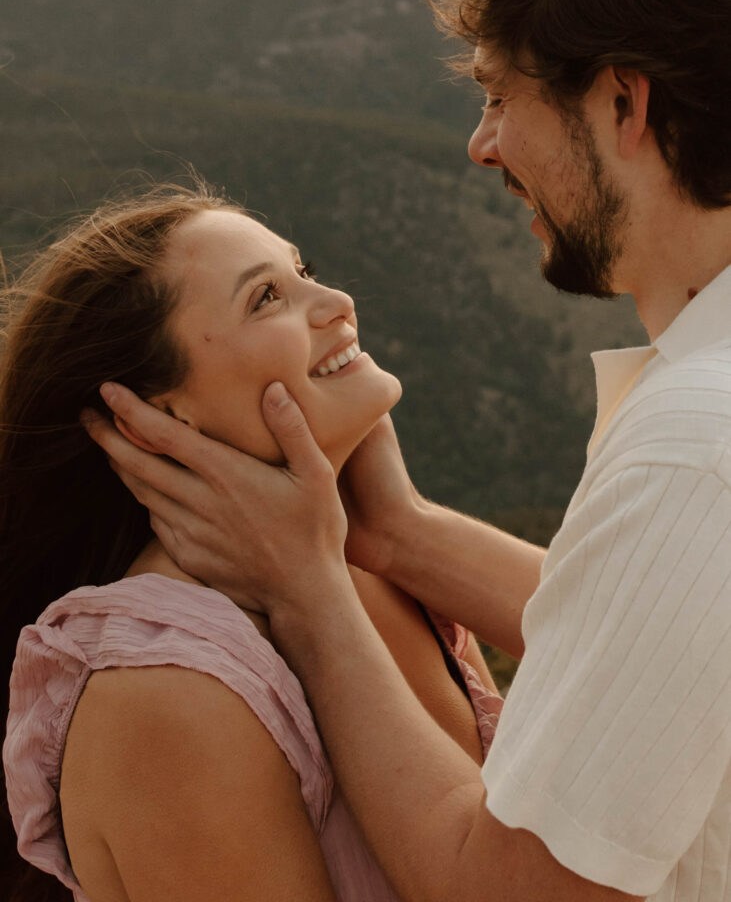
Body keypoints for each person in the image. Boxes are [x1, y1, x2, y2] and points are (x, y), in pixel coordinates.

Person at [79, 0, 731, 900]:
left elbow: (508, 889)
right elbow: (650, 649)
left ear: (620, 102)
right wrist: (395, 532)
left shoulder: (691, 448)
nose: (480, 144)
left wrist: (309, 592)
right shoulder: (164, 679)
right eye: (267, 293)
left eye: (494, 93)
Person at [0, 184, 504, 902]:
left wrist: (402, 529)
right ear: (152, 419)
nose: (335, 301)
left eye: (303, 270)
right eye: (266, 298)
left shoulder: (367, 577)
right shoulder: (167, 695)